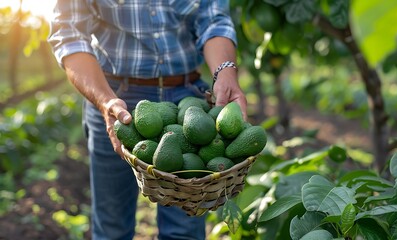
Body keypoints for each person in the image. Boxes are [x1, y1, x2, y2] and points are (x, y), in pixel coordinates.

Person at [48, 0, 247, 239]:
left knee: (184, 231)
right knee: (112, 228)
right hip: (115, 98)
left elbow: (214, 21)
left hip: (187, 101)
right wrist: (104, 101)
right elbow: (69, 33)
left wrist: (226, 72)